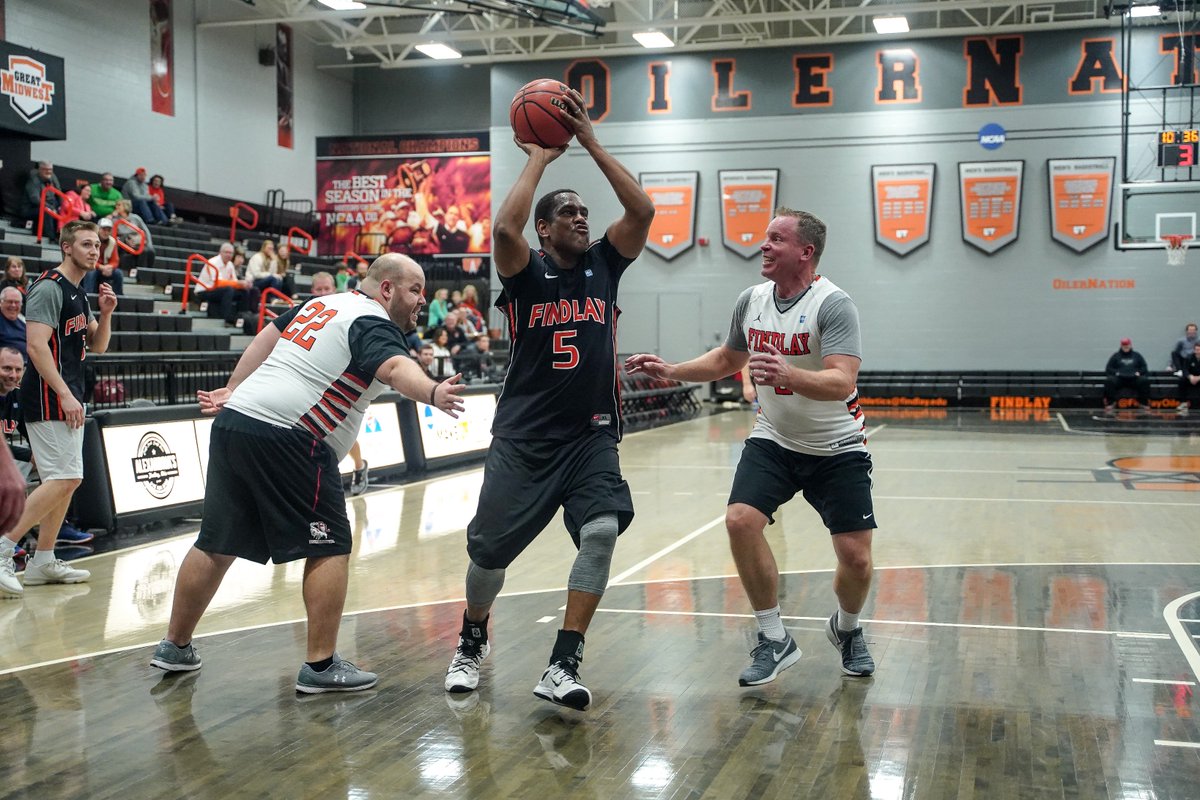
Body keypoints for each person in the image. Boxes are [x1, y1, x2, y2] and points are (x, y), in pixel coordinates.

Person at [149, 254, 465, 693]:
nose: (421, 302)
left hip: (236, 422)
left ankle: (174, 646)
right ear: (387, 289)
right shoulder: (372, 321)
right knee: (330, 544)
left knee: (217, 541)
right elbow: (395, 369)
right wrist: (431, 390)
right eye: (415, 291)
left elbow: (267, 336)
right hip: (291, 436)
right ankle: (320, 667)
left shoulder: (324, 304)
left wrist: (235, 387)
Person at [443, 86, 655, 711]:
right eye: (568, 214)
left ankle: (563, 663)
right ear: (544, 228)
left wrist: (587, 141)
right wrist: (539, 156)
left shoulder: (604, 265)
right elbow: (505, 225)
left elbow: (641, 211)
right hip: (525, 437)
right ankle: (472, 639)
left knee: (601, 531)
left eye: (585, 213)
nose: (582, 219)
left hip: (590, 436)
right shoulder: (525, 270)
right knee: (488, 554)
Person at [626, 207, 877, 685]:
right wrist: (673, 370)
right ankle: (773, 637)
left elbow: (843, 382)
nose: (763, 245)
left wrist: (790, 375)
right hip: (775, 438)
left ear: (805, 252)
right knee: (740, 521)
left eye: (776, 239)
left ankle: (847, 629)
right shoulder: (752, 300)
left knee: (856, 559)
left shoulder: (834, 304)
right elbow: (727, 358)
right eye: (765, 237)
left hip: (837, 445)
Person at [0, 221, 116, 598]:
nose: (94, 250)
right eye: (86, 244)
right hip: (50, 397)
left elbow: (98, 346)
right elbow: (35, 347)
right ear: (66, 247)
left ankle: (42, 560)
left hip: (69, 394)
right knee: (64, 479)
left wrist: (108, 312)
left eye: (97, 245)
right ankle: (4, 547)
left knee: (66, 479)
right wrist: (65, 394)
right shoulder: (49, 287)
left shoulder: (79, 293)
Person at [194, 242, 258, 326]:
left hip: (218, 290)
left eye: (230, 253)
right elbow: (218, 283)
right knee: (228, 290)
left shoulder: (230, 265)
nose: (228, 255)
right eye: (226, 252)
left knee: (244, 291)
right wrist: (238, 283)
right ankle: (225, 318)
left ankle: (242, 318)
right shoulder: (213, 262)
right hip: (204, 290)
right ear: (220, 252)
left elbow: (234, 281)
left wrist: (243, 284)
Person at [1103, 338, 1150, 412]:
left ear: (1130, 345)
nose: (1126, 347)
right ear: (1121, 346)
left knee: (1144, 381)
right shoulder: (1115, 356)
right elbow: (1109, 368)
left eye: (1127, 345)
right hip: (1119, 379)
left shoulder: (1137, 355)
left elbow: (1144, 367)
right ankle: (1111, 403)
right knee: (1109, 381)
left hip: (1134, 378)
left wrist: (1139, 373)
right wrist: (1116, 373)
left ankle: (1143, 403)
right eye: (1124, 345)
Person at [20, 162, 62, 238]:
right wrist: (51, 208)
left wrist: (61, 206)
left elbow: (59, 192)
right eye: (46, 169)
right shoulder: (33, 181)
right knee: (47, 211)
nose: (49, 172)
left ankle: (61, 237)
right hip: (31, 209)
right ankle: (50, 238)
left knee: (62, 210)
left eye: (50, 169)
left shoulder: (52, 178)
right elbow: (35, 199)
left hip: (49, 205)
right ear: (40, 170)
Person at [89, 219, 125, 296]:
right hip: (92, 266)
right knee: (91, 272)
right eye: (103, 229)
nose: (106, 232)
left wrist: (110, 266)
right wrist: (101, 267)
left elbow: (115, 261)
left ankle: (118, 297)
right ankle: (88, 296)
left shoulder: (112, 242)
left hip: (105, 268)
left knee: (119, 273)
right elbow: (88, 259)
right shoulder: (90, 240)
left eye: (108, 230)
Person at [0, 288, 27, 360]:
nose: (13, 305)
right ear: (1, 302)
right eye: (9, 301)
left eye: (17, 302)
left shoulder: (24, 323)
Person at [1178, 341, 1200, 415]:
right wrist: (1190, 377)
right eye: (1196, 350)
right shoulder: (1189, 357)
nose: (1198, 351)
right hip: (1191, 378)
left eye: (1199, 350)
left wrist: (1199, 378)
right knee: (1182, 380)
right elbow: (1185, 369)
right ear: (1194, 350)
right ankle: (1183, 403)